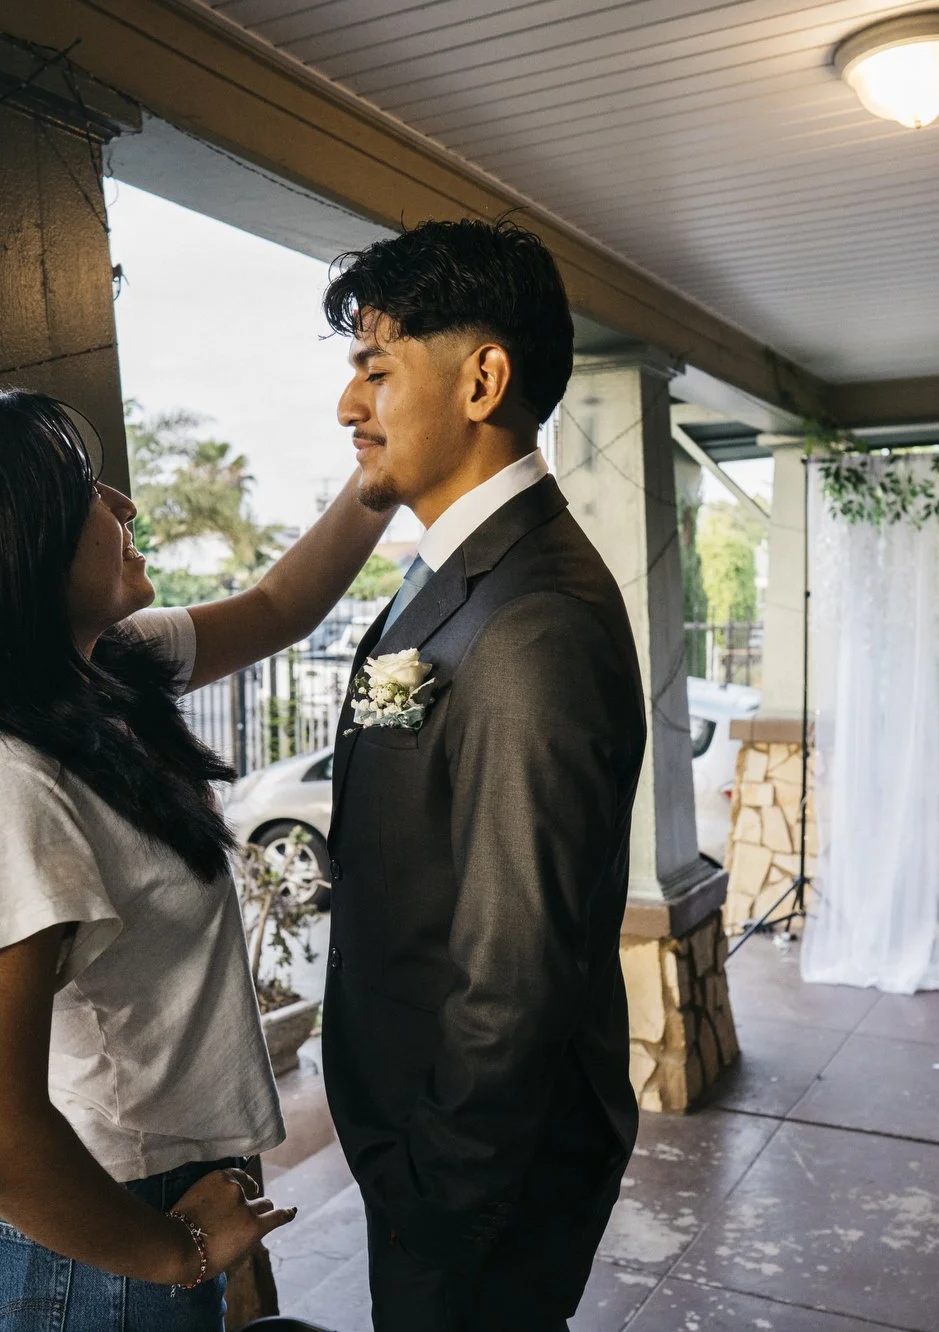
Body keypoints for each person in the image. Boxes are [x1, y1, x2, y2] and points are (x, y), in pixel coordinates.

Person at [0, 390, 392, 1331]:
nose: (122, 504)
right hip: (91, 1246)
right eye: (86, 488)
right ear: (7, 542)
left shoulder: (102, 674)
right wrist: (176, 1252)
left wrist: (380, 479)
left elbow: (279, 605)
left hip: (143, 1200)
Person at [319, 219, 646, 1330]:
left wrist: (433, 1197)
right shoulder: (455, 574)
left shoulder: (532, 621)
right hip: (425, 1144)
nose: (347, 406)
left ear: (481, 380)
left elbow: (514, 967)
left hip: (477, 1181)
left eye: (375, 369)